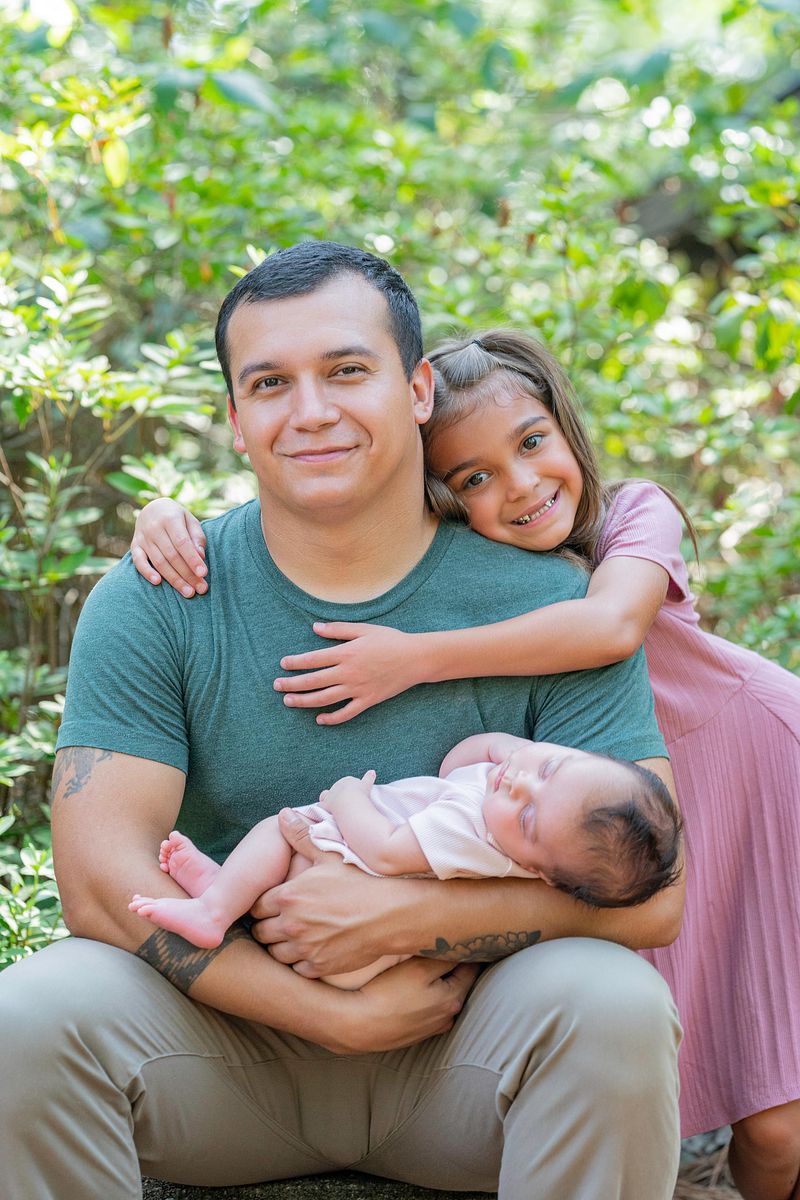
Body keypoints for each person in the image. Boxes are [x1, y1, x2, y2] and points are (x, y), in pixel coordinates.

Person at [0, 244, 683, 1200]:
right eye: (270, 383)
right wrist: (318, 1011)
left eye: (346, 371)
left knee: (614, 1004)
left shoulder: (548, 605)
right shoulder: (162, 595)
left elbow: (656, 897)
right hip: (221, 1057)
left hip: (464, 1054)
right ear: (235, 419)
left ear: (415, 389)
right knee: (24, 1014)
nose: (310, 411)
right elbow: (97, 882)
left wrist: (413, 915)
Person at [134, 324, 800, 1200]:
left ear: (565, 424)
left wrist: (410, 655)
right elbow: (311, 505)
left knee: (777, 1110)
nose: (521, 486)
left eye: (532, 443)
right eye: (474, 478)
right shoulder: (477, 563)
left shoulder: (638, 512)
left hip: (752, 764)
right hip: (605, 811)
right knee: (660, 1053)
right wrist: (168, 518)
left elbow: (607, 630)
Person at [128, 732, 682, 962]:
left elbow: (388, 851)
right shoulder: (500, 808)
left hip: (351, 855)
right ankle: (223, 890)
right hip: (345, 887)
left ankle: (214, 907)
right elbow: (456, 766)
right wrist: (510, 749)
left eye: (531, 814)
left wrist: (348, 798)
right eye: (550, 766)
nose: (519, 782)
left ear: (541, 872)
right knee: (277, 851)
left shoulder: (475, 836)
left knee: (280, 829)